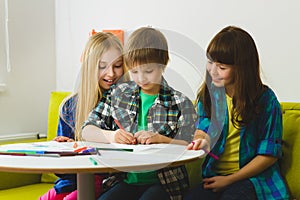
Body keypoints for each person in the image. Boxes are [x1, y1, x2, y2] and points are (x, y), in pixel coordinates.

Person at [82, 27, 197, 200]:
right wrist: (112, 136)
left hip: (164, 185)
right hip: (124, 180)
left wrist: (161, 140)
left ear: (163, 64)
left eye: (148, 71)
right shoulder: (118, 95)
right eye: (134, 71)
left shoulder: (180, 103)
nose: (141, 78)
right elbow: (87, 130)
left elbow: (191, 146)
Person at [184, 26, 290, 200]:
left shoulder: (266, 100)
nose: (213, 71)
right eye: (210, 62)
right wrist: (201, 140)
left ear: (242, 68)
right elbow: (203, 130)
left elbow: (269, 155)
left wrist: (229, 180)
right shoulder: (208, 96)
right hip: (214, 176)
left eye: (222, 67)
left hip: (253, 180)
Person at [39, 31, 126, 200]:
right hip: (70, 182)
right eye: (102, 66)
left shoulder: (127, 103)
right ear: (90, 67)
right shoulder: (70, 106)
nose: (111, 74)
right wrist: (64, 150)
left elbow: (125, 160)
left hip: (107, 183)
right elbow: (61, 172)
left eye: (117, 66)